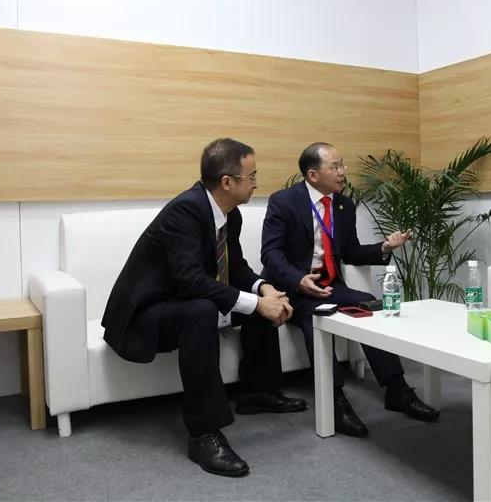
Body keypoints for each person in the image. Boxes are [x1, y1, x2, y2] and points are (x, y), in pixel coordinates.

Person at [102, 138, 306, 478]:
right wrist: (256, 302)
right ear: (227, 182)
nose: (257, 183)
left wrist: (264, 289)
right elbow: (190, 282)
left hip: (181, 300)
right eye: (252, 176)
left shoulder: (230, 214)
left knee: (254, 301)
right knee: (203, 310)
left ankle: (259, 391)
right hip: (145, 314)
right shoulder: (185, 211)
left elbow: (235, 267)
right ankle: (203, 434)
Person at [261, 142, 439, 437]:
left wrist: (384, 247)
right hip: (293, 289)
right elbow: (271, 254)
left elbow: (351, 251)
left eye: (342, 165)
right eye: (335, 167)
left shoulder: (344, 205)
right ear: (313, 174)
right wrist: (299, 279)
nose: (343, 172)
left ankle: (397, 389)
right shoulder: (284, 202)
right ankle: (335, 401)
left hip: (329, 285)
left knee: (372, 307)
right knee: (316, 318)